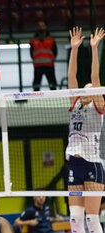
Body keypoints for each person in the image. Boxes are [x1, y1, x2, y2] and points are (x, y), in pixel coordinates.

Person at [66, 27, 105, 233]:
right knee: (75, 220)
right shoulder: (75, 104)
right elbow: (72, 76)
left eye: (90, 87)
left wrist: (93, 49)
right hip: (74, 162)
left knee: (92, 220)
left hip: (92, 164)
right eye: (85, 87)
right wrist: (74, 50)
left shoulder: (98, 107)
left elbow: (95, 78)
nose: (86, 88)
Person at [30, 21, 57, 91]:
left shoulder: (51, 39)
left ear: (46, 27)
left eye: (43, 25)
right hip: (38, 66)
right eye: (39, 25)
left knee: (52, 85)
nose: (41, 27)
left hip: (49, 66)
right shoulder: (33, 40)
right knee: (36, 85)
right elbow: (31, 53)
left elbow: (55, 52)